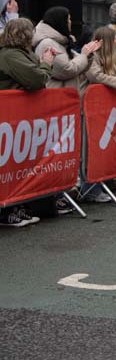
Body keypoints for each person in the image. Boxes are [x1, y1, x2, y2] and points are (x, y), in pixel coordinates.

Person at [0, 18, 55, 227]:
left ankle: (14, 206)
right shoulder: (11, 55)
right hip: (9, 118)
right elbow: (36, 80)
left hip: (17, 119)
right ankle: (6, 211)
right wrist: (46, 64)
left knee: (16, 164)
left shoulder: (19, 53)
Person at [32, 6, 101, 93]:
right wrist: (84, 55)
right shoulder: (47, 43)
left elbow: (80, 67)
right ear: (60, 21)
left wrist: (88, 54)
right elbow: (66, 70)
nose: (70, 22)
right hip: (57, 97)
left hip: (67, 95)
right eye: (68, 19)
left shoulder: (60, 41)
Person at [86, 27, 116, 94]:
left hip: (113, 100)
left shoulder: (115, 57)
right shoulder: (91, 56)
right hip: (97, 99)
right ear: (108, 42)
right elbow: (95, 76)